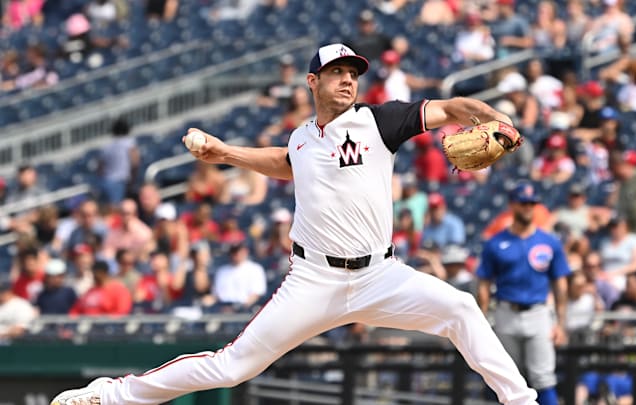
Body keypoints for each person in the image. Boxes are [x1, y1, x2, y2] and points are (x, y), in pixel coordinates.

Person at [51, 43, 537, 405]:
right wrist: (223, 153)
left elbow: (451, 108)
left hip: (380, 276)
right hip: (314, 279)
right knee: (232, 367)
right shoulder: (303, 138)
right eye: (336, 73)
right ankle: (112, 395)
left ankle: (521, 401)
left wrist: (497, 118)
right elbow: (287, 163)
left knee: (461, 307)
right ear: (312, 82)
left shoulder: (378, 122)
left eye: (352, 73)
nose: (348, 80)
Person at [477, 180, 570, 405]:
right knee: (503, 379)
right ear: (512, 205)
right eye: (523, 203)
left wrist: (560, 323)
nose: (528, 207)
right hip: (506, 311)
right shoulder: (496, 243)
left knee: (543, 377)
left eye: (531, 203)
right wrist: (482, 320)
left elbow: (560, 284)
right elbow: (484, 282)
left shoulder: (549, 242)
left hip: (538, 312)